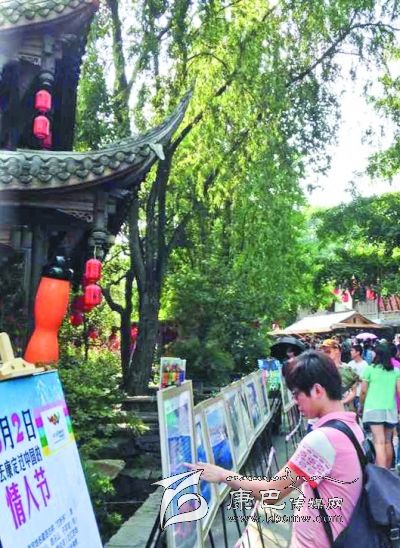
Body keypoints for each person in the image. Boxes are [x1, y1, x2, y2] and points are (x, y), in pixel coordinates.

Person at [186, 351, 364, 547]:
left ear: (317, 390)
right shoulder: (351, 427)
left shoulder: (322, 439)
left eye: (297, 394)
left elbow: (271, 492)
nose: (295, 402)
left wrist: (222, 475)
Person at [359, 344, 400, 468]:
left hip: (373, 409)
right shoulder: (396, 371)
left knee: (379, 442)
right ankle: (388, 471)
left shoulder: (369, 369)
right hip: (390, 409)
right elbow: (399, 391)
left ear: (377, 354)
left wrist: (361, 405)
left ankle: (381, 474)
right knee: (387, 441)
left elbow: (363, 391)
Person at [320, 338, 358, 408]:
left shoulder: (348, 369)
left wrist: (341, 402)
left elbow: (353, 391)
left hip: (343, 409)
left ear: (337, 350)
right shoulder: (321, 369)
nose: (325, 354)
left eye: (328, 352)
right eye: (324, 352)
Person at [348, 344, 368, 410]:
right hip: (350, 394)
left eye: (352, 350)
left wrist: (354, 378)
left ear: (358, 352)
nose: (350, 352)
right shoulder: (350, 363)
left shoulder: (365, 364)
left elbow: (364, 379)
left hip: (359, 394)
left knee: (359, 413)